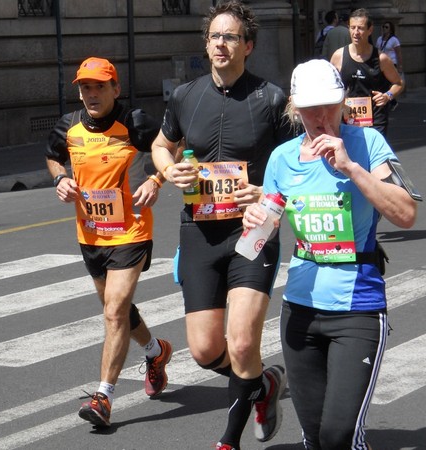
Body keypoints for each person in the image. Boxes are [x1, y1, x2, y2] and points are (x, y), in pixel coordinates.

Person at [243, 58, 418, 450]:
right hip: (301, 309)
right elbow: (264, 229)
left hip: (356, 307)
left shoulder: (368, 144)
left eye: (329, 105)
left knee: (340, 436)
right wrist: (255, 218)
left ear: (342, 102)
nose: (321, 116)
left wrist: (352, 168)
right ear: (294, 107)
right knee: (316, 439)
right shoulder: (282, 158)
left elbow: (406, 212)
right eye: (310, 108)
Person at [151, 2, 291, 449]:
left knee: (243, 340)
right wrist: (168, 170)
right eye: (215, 36)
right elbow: (161, 144)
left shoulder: (270, 97)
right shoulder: (185, 96)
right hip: (199, 231)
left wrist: (267, 192)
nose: (220, 44)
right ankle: (264, 384)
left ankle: (228, 441)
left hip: (254, 229)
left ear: (248, 46)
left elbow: (294, 165)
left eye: (231, 37)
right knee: (206, 350)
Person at [45, 57, 172, 428]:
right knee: (118, 310)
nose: (92, 94)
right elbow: (52, 156)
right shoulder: (69, 126)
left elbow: (172, 147)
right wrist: (59, 179)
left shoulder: (135, 123)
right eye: (86, 87)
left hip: (131, 231)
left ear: (116, 88)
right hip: (90, 234)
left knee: (114, 311)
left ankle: (103, 397)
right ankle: (155, 352)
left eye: (100, 86)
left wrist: (155, 181)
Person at [331, 8, 404, 138]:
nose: (356, 32)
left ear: (370, 30)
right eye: (352, 27)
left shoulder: (381, 59)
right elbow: (330, 85)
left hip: (375, 120)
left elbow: (399, 83)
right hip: (347, 119)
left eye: (360, 28)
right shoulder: (339, 56)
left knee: (372, 157)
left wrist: (387, 96)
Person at [376, 21, 403, 111]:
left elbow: (398, 53)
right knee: (383, 83)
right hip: (382, 63)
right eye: (383, 27)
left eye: (386, 27)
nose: (384, 29)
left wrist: (400, 66)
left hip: (392, 63)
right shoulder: (379, 39)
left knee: (388, 83)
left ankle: (392, 101)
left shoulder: (394, 40)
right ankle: (390, 101)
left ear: (391, 29)